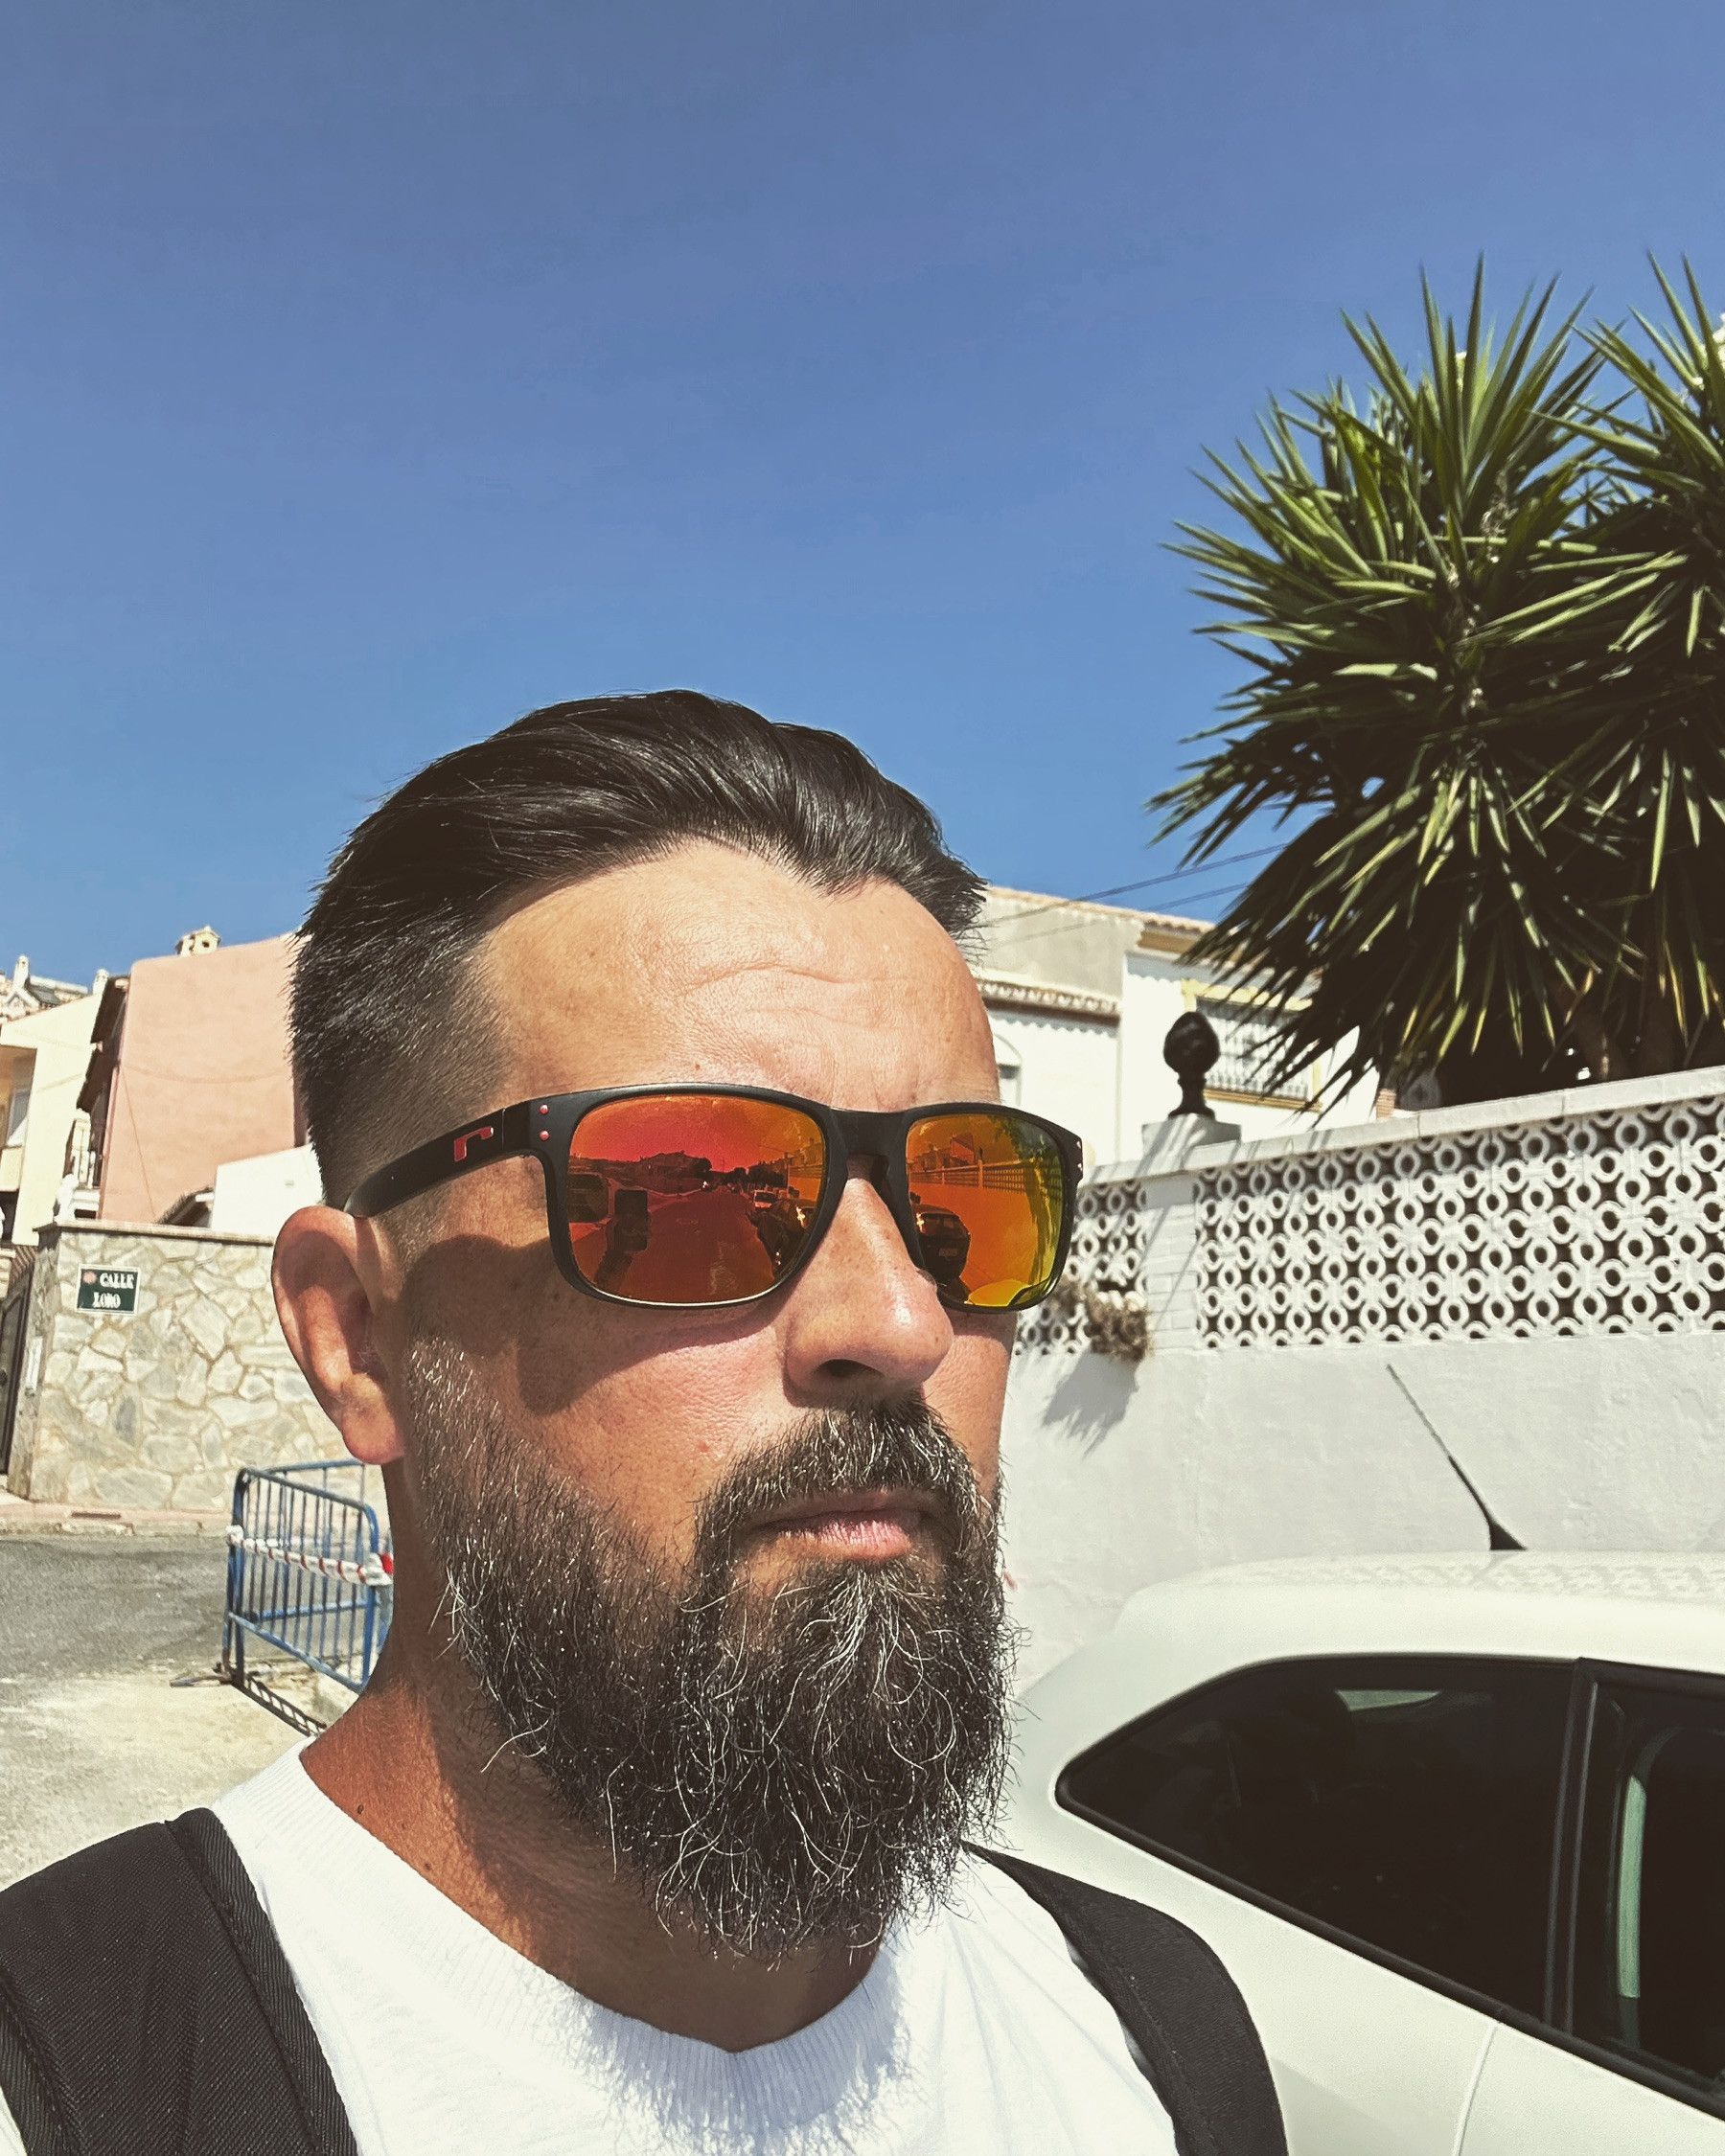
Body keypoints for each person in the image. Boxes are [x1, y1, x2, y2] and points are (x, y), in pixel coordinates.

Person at [0, 693, 1283, 2155]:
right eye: (690, 1191)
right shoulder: (81, 2086)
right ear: (357, 1336)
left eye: (966, 1199)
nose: (902, 1321)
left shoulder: (1153, 2041)